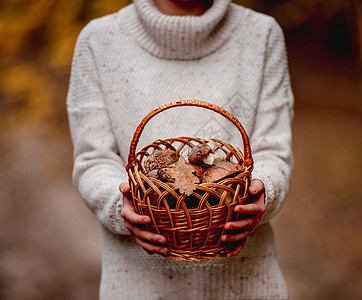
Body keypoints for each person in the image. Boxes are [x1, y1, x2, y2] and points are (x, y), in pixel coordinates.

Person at [67, 0, 294, 299]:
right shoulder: (99, 40)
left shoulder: (261, 35)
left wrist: (262, 192)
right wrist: (122, 202)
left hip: (245, 283)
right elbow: (92, 159)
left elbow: (273, 152)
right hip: (139, 285)